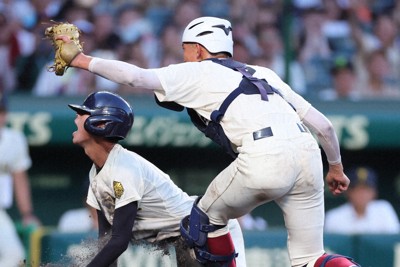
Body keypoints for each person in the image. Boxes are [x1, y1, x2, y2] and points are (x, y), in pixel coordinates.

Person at [51, 16, 360, 267]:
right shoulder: (263, 72)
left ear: (198, 49)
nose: (184, 56)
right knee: (311, 258)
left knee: (201, 221)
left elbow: (135, 77)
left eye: (186, 49)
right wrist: (335, 168)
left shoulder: (198, 71)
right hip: (308, 153)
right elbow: (325, 127)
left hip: (264, 153)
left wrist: (81, 59)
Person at [67, 91, 246, 267]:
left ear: (100, 124)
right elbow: (107, 241)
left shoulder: (124, 168)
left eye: (83, 113)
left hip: (211, 231)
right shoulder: (97, 174)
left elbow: (119, 242)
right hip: (190, 237)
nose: (76, 117)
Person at [0, 93, 40, 267]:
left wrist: (27, 214)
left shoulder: (14, 140)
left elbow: (20, 179)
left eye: (0, 111)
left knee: (15, 256)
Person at [325, 166, 400, 234]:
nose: (362, 194)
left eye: (366, 189)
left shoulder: (384, 210)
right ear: (348, 192)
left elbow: (394, 242)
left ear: (374, 192)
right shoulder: (334, 217)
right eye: (357, 189)